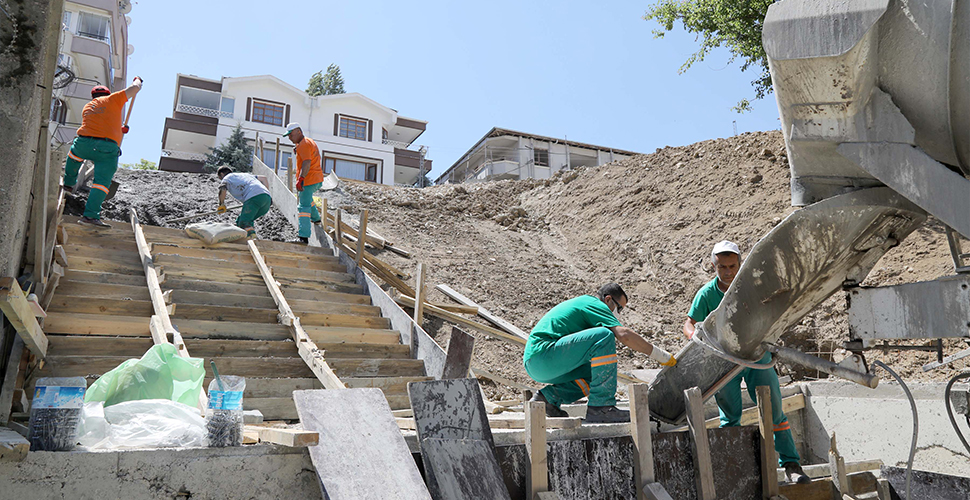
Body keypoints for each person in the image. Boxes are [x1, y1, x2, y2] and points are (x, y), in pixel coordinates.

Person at [683, 240, 811, 484]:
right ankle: (732, 468)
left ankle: (791, 465)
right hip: (723, 360)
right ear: (714, 266)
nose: (728, 272)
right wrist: (695, 337)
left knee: (774, 411)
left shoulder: (752, 288)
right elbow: (688, 323)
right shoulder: (707, 294)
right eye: (722, 267)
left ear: (740, 264)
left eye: (732, 266)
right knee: (730, 416)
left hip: (755, 355)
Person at [524, 283, 677, 424]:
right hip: (543, 355)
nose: (618, 313)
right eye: (619, 308)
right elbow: (624, 335)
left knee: (596, 373)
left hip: (538, 363)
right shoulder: (594, 304)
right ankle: (602, 408)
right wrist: (661, 356)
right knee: (604, 335)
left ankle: (548, 398)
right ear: (608, 299)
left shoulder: (587, 306)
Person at [63, 77, 143, 227]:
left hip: (84, 143)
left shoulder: (88, 107)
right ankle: (90, 216)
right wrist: (137, 80)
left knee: (74, 156)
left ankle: (68, 184)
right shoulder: (113, 99)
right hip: (106, 149)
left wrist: (120, 130)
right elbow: (135, 88)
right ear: (108, 94)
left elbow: (100, 125)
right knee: (101, 183)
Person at [282, 122, 322, 243]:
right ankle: (316, 219)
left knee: (303, 207)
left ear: (298, 131)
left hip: (309, 179)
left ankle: (303, 237)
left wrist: (301, 178)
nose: (289, 138)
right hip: (316, 178)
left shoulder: (303, 144)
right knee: (307, 200)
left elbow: (307, 162)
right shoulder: (308, 141)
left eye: (291, 134)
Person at [216, 166, 273, 239]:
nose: (221, 180)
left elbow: (223, 189)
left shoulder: (227, 177)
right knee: (240, 220)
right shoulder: (245, 175)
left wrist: (221, 204)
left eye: (220, 178)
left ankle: (251, 239)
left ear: (221, 174)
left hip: (253, 197)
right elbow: (264, 178)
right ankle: (241, 237)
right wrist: (265, 193)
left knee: (244, 222)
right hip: (266, 200)